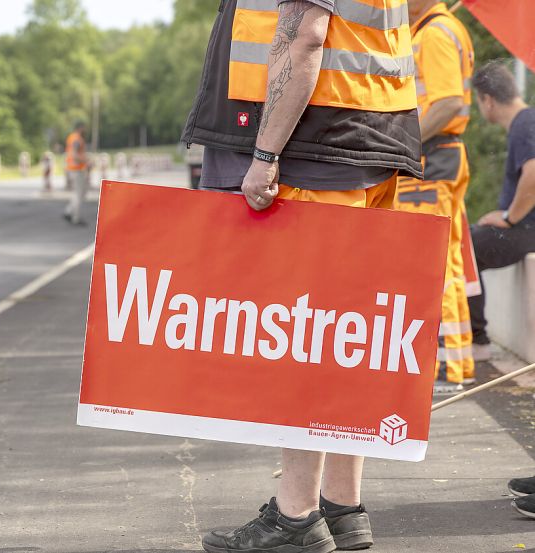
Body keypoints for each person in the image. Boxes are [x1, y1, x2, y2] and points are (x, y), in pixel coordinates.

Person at [182, 0, 422, 551]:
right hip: (364, 140)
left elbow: (306, 38)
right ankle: (342, 505)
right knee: (344, 335)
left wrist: (265, 154)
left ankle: (297, 515)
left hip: (311, 145)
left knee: (302, 337)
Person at [394, 0, 476, 392]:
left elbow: (447, 103)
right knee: (448, 264)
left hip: (432, 160)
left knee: (432, 267)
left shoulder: (434, 33)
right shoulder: (434, 29)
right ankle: (456, 366)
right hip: (442, 158)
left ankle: (447, 368)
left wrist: (402, 146)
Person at [467, 61, 535, 359]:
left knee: (463, 246)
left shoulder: (525, 122)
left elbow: (533, 173)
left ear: (488, 99)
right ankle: (473, 336)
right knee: (467, 240)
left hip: (526, 229)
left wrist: (508, 217)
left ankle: (476, 340)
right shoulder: (524, 123)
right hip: (524, 228)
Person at [63, 121, 89, 225]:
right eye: (84, 128)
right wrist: (87, 161)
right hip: (76, 169)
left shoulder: (72, 137)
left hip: (72, 168)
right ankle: (75, 218)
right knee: (79, 194)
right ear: (80, 128)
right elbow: (74, 154)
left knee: (79, 193)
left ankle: (69, 211)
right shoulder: (77, 139)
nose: (85, 130)